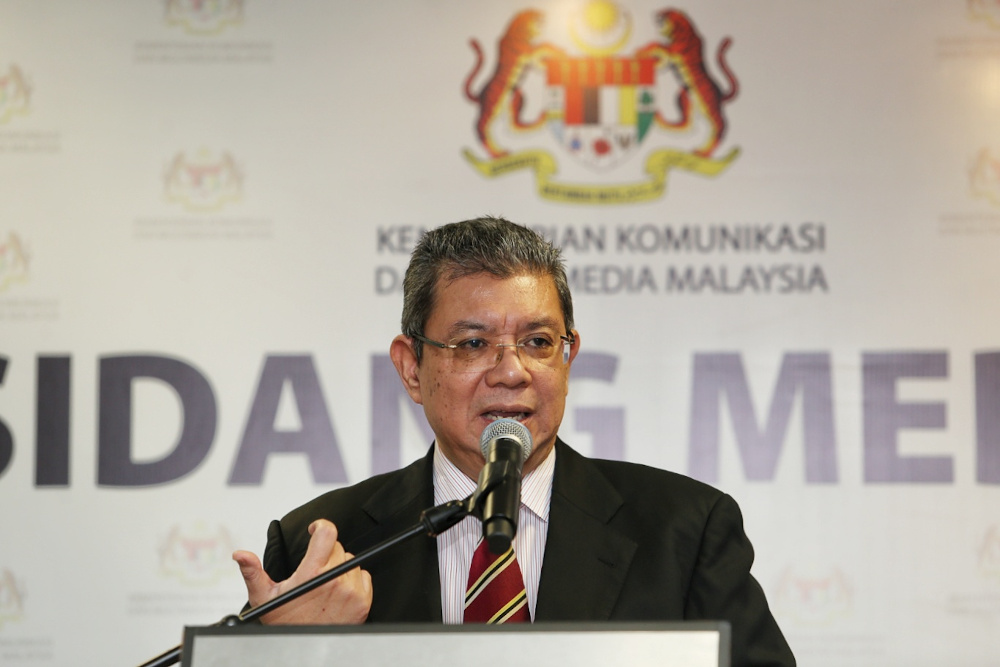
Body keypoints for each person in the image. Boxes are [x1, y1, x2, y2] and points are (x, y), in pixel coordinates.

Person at [233, 216, 795, 666]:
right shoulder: (323, 547)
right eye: (473, 343)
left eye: (538, 341)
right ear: (411, 368)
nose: (511, 371)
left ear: (568, 358)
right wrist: (289, 654)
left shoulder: (685, 530)